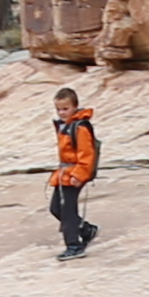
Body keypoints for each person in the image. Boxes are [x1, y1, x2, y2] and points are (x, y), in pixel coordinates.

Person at [49, 83, 102, 259]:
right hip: (64, 173)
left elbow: (87, 154)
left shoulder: (79, 127)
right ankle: (86, 230)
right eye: (59, 110)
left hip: (74, 174)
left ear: (75, 107)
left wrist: (79, 175)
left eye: (66, 109)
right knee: (55, 207)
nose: (62, 113)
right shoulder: (65, 126)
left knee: (67, 210)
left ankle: (74, 245)